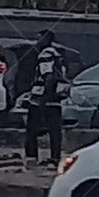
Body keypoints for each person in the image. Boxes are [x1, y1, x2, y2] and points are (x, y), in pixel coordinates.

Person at [24, 31, 70, 169]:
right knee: (55, 130)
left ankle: (31, 159)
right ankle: (55, 159)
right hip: (55, 99)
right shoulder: (58, 54)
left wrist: (42, 99)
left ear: (46, 40)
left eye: (39, 39)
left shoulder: (45, 54)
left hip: (41, 97)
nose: (36, 42)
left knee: (32, 129)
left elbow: (48, 77)